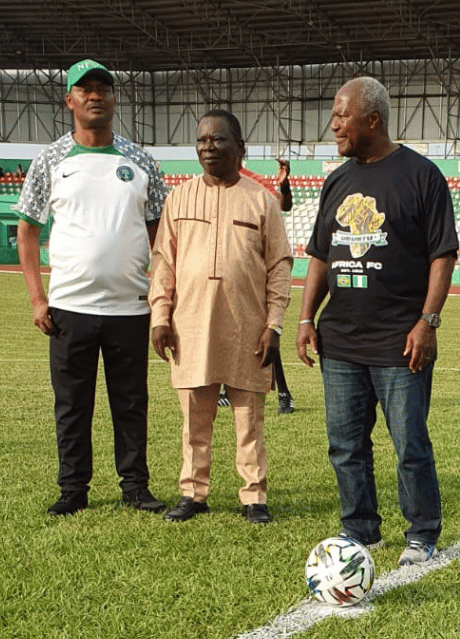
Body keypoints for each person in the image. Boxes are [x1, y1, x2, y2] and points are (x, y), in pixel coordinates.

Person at [295, 76, 458, 566]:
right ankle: (360, 530)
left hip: (399, 339)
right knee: (345, 445)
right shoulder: (337, 180)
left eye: (342, 115)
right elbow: (322, 256)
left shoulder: (421, 175)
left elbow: (443, 255)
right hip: (341, 339)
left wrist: (427, 321)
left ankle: (422, 533)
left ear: (373, 118)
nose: (334, 124)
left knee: (409, 444)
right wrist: (306, 318)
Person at [15, 59, 169, 517]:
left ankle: (135, 486)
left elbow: (161, 233)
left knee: (131, 403)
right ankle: (73, 488)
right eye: (85, 89)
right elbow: (27, 230)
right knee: (72, 406)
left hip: (130, 307)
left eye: (103, 87)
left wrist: (160, 293)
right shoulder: (50, 160)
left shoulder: (141, 161)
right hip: (69, 308)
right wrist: (38, 298)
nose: (95, 95)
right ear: (70, 100)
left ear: (114, 98)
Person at [150, 110, 293, 524]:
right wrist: (160, 316)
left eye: (218, 140)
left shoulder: (262, 200)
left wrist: (274, 324)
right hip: (190, 326)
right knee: (194, 419)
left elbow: (280, 267)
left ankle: (254, 497)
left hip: (248, 328)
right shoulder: (178, 198)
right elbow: (164, 262)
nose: (208, 147)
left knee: (249, 419)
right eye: (202, 141)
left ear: (240, 148)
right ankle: (193, 493)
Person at [218, 158, 295, 415]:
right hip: (222, 274)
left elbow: (284, 206)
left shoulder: (253, 182)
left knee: (265, 334)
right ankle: (227, 390)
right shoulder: (206, 183)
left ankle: (284, 393)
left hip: (255, 274)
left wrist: (284, 187)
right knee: (224, 331)